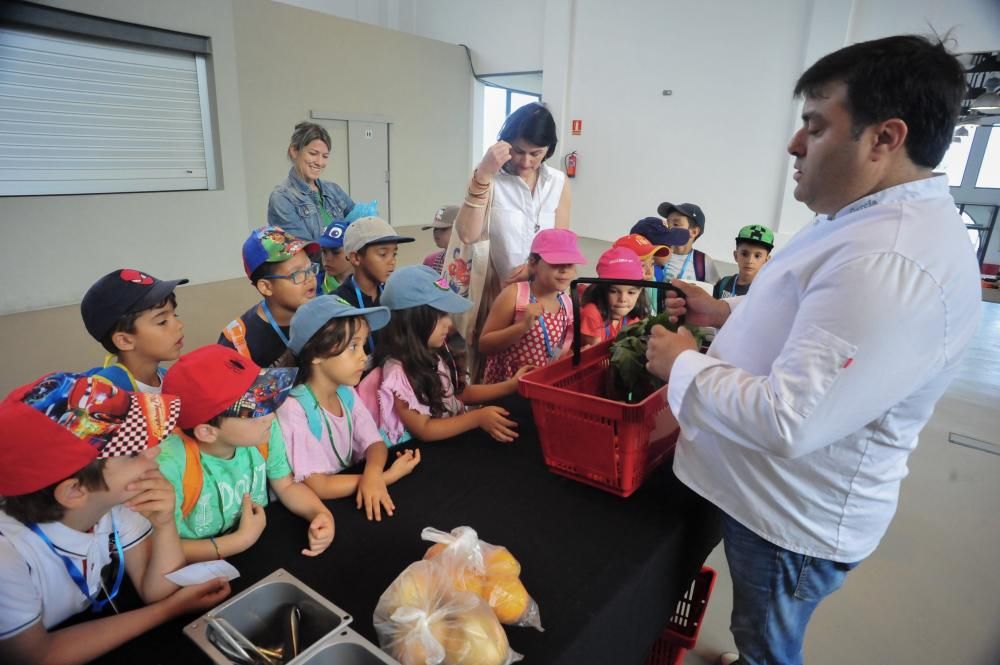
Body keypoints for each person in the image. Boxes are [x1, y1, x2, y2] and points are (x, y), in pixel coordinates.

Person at [644, 35, 979, 665]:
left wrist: (681, 361)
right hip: (771, 499)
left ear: (885, 138)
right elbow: (818, 321)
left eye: (815, 126)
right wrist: (728, 313)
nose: (795, 145)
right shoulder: (861, 217)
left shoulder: (890, 258)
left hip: (791, 523)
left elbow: (788, 418)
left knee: (767, 643)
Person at [0, 373, 231, 664]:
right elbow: (39, 656)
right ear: (74, 491)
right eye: (133, 452)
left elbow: (156, 589)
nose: (155, 451)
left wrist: (163, 522)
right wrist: (168, 611)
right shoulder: (7, 559)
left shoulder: (112, 504)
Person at [156, 345, 335, 563]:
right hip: (200, 562)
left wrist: (320, 514)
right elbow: (158, 549)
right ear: (207, 432)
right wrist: (240, 540)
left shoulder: (264, 434)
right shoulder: (170, 466)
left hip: (256, 549)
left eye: (267, 400)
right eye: (254, 411)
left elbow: (286, 486)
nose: (270, 415)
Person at [278, 296, 420, 521]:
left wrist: (373, 474)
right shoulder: (293, 409)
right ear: (316, 354)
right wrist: (386, 477)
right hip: (317, 513)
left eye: (363, 345)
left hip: (346, 496)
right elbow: (319, 485)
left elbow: (375, 443)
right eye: (353, 346)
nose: (364, 356)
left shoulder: (346, 392)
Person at [363, 265, 528, 446]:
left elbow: (459, 394)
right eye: (441, 316)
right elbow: (424, 429)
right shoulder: (397, 373)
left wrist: (511, 386)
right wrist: (476, 418)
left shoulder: (435, 354)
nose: (448, 323)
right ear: (411, 321)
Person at [479, 229, 586, 383]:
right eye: (556, 263)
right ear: (533, 263)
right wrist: (522, 326)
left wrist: (575, 354)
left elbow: (556, 350)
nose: (564, 270)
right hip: (505, 388)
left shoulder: (567, 303)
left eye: (570, 265)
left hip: (541, 387)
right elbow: (484, 345)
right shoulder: (514, 295)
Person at [219, 226, 319, 368]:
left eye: (310, 268)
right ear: (266, 287)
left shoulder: (322, 315)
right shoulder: (238, 342)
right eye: (296, 274)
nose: (310, 277)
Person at [80, 269, 188, 392]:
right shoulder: (106, 394)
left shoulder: (169, 379)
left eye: (175, 315)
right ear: (125, 340)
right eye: (162, 321)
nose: (179, 325)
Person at [332, 217, 414, 354]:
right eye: (383, 254)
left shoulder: (397, 298)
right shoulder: (337, 304)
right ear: (355, 258)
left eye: (394, 253)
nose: (392, 261)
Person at [267, 121, 355, 242]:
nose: (319, 162)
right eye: (313, 154)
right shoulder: (282, 198)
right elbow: (305, 250)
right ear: (294, 151)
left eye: (325, 156)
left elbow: (359, 227)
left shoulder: (334, 190)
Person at [579, 248, 650, 347]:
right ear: (601, 289)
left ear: (640, 291)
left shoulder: (634, 317)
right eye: (614, 291)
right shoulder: (592, 314)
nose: (623, 299)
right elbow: (596, 357)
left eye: (631, 292)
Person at [628, 218, 691, 313]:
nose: (672, 250)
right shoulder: (648, 273)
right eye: (670, 245)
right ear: (656, 250)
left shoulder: (656, 270)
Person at [656, 202, 722, 285]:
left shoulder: (704, 262)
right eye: (667, 224)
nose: (669, 228)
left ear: (694, 232)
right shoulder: (657, 253)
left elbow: (715, 293)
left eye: (676, 224)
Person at [713, 225, 774, 299]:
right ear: (736, 255)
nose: (750, 261)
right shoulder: (723, 284)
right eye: (744, 254)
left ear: (766, 260)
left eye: (757, 256)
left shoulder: (767, 292)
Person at [317, 219, 353, 295]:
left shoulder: (369, 285)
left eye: (335, 252)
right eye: (324, 251)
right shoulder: (314, 286)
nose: (328, 259)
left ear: (353, 254)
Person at [422, 205, 458, 273]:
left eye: (443, 229)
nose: (436, 232)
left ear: (458, 229)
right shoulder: (431, 261)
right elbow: (436, 283)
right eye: (435, 228)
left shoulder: (472, 261)